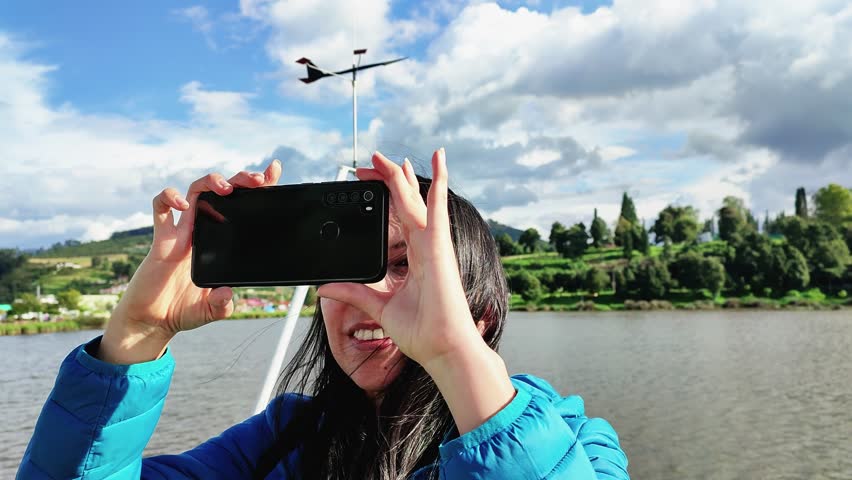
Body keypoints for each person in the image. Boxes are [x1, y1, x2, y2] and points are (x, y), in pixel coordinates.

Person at [17, 149, 629, 479]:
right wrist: (139, 332)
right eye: (351, 267)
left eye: (405, 265)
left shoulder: (575, 440)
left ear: (483, 313)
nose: (369, 292)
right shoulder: (276, 444)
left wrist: (453, 353)